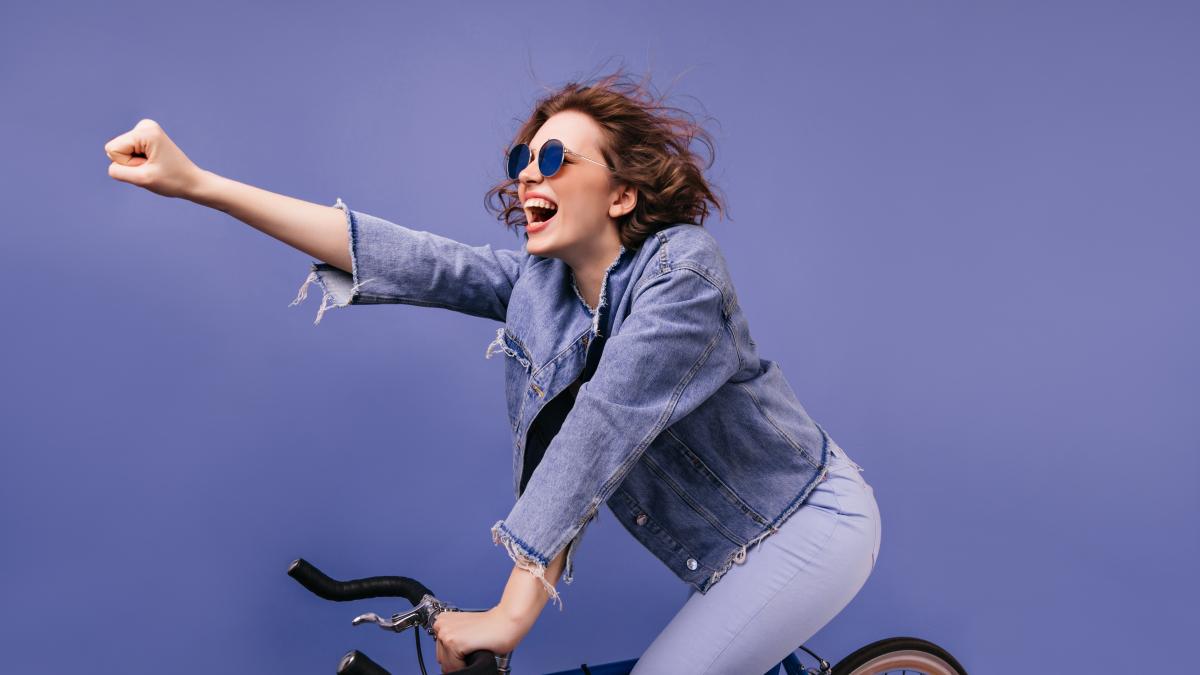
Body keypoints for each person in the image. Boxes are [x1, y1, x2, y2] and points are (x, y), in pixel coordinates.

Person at [104, 69, 882, 675]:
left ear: (622, 193)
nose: (528, 175)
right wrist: (199, 183)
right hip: (724, 552)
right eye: (522, 159)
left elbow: (604, 422)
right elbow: (414, 259)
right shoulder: (543, 289)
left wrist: (513, 612)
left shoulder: (685, 276)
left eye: (554, 158)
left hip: (810, 525)